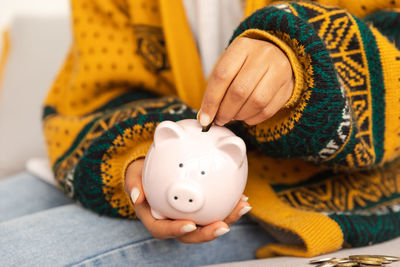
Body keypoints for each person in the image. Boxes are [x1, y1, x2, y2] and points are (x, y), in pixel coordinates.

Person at [1, 0, 400, 265]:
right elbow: (101, 85)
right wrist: (139, 159)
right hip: (143, 165)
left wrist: (307, 58)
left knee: (14, 251)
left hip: (302, 186)